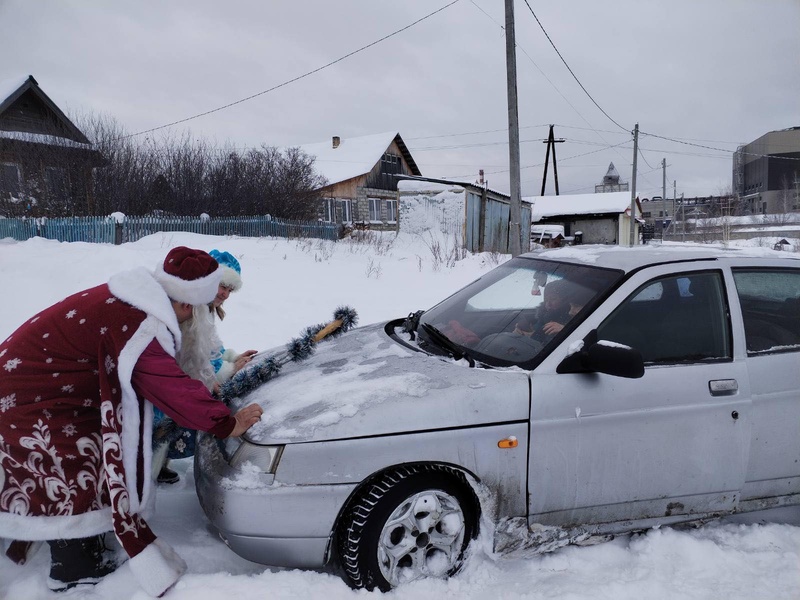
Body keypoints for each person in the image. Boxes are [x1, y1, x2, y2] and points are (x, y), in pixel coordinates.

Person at [0, 246, 263, 595]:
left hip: (39, 391)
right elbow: (171, 388)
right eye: (198, 312)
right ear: (186, 303)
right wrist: (227, 423)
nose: (197, 319)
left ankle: (82, 545)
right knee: (69, 467)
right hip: (30, 400)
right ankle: (75, 569)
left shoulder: (136, 298)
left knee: (84, 457)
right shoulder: (144, 325)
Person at [154, 249, 257, 484]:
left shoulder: (206, 311)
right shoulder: (192, 310)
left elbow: (212, 350)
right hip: (169, 384)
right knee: (160, 430)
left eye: (230, 290)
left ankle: (157, 467)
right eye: (222, 286)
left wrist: (232, 357)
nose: (225, 294)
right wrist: (229, 369)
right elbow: (194, 360)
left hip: (176, 384)